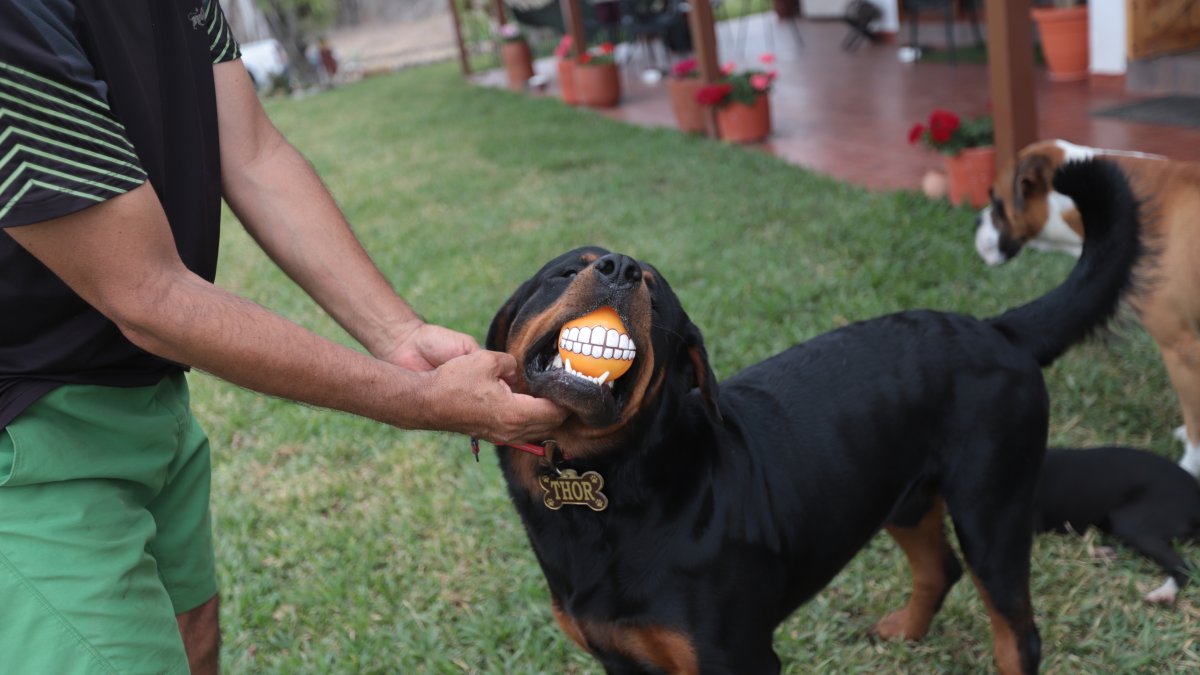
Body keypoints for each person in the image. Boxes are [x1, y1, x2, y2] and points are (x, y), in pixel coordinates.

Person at [0, 1, 565, 673]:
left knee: (191, 631)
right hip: (24, 432)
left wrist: (401, 334)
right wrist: (419, 401)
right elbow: (147, 294)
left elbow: (253, 154)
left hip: (145, 393)